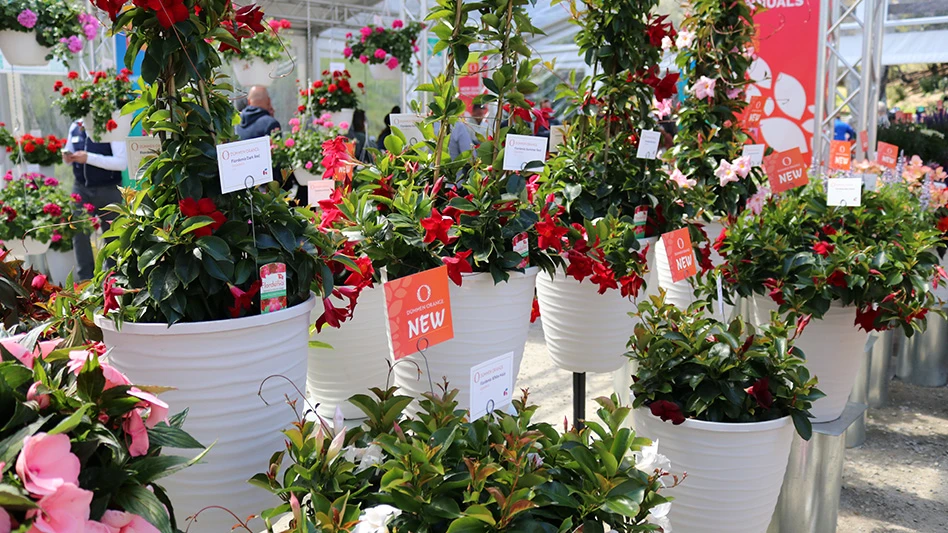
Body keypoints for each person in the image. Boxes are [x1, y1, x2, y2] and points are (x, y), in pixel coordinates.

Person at [63, 119, 127, 281]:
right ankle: (85, 280)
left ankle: (115, 278)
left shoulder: (110, 124)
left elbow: (121, 163)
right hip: (81, 188)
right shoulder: (75, 126)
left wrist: (88, 158)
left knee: (113, 233)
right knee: (79, 232)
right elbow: (69, 151)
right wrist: (67, 156)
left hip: (109, 189)